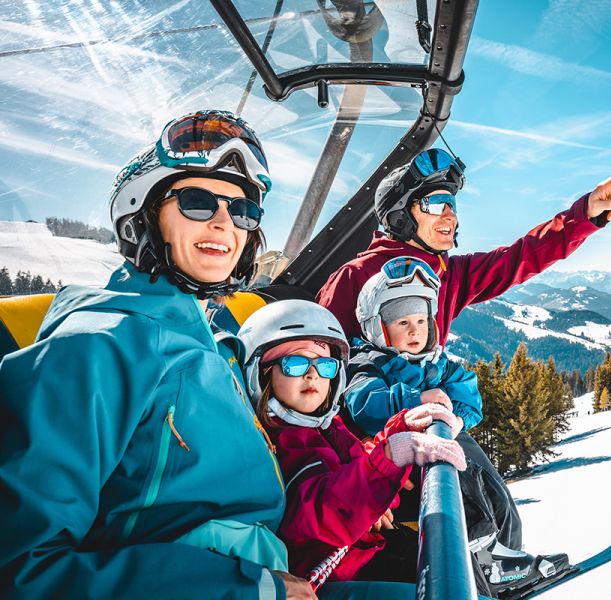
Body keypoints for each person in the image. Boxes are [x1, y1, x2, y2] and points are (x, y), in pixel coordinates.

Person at [0, 110, 315, 599]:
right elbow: (22, 569)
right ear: (144, 216)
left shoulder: (216, 343)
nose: (224, 223)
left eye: (243, 212)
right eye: (196, 201)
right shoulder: (95, 348)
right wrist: (242, 588)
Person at [344, 257, 569, 597]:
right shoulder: (367, 362)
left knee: (499, 501)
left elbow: (467, 393)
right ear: (378, 326)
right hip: (409, 463)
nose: (415, 330)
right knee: (466, 496)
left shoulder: (435, 362)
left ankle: (507, 561)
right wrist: (418, 400)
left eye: (421, 320)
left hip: (451, 444)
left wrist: (455, 418)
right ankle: (487, 563)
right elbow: (364, 404)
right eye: (403, 322)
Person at [237, 299, 466, 586]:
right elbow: (321, 512)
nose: (312, 374)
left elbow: (358, 467)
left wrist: (399, 429)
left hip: (366, 550)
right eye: (295, 363)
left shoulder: (327, 426)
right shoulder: (278, 444)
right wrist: (389, 457)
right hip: (334, 576)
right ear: (262, 372)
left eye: (325, 365)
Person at [316, 147, 611, 348]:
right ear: (400, 218)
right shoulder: (354, 278)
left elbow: (522, 256)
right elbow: (317, 364)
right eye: (436, 204)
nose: (450, 216)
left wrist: (585, 214)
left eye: (451, 204)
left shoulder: (449, 274)